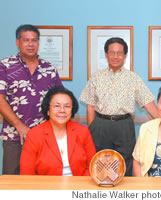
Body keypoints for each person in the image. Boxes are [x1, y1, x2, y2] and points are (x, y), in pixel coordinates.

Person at [80, 37, 159, 176]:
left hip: (124, 126)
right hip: (100, 125)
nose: (116, 56)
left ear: (125, 55)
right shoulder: (96, 77)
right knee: (99, 163)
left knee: (125, 164)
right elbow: (90, 106)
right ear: (106, 54)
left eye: (119, 53)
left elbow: (148, 103)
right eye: (112, 52)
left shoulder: (133, 78)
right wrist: (93, 128)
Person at [0, 24, 63, 174]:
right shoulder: (5, 66)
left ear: (38, 43)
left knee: (43, 180)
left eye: (34, 40)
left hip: (45, 137)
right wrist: (19, 126)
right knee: (12, 181)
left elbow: (60, 100)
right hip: (14, 136)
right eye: (26, 40)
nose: (30, 44)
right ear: (17, 42)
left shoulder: (50, 69)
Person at [20, 87, 96, 176]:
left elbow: (92, 165)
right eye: (57, 106)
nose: (62, 110)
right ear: (48, 110)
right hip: (45, 187)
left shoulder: (83, 131)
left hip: (78, 186)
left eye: (67, 106)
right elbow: (27, 172)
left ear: (72, 110)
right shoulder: (34, 135)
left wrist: (79, 186)